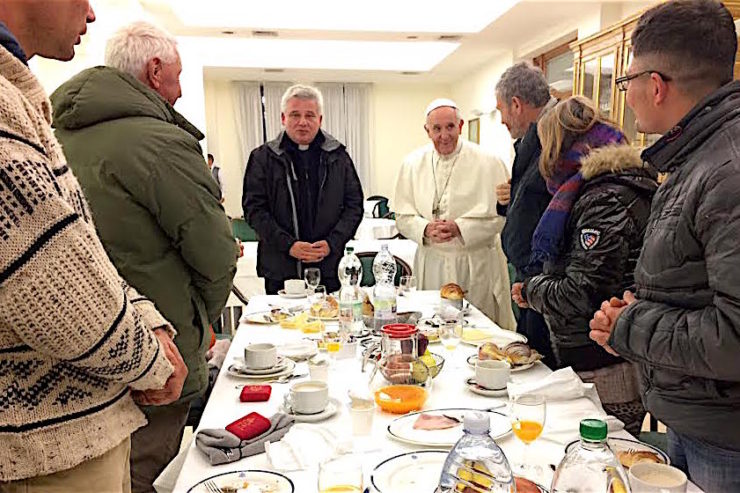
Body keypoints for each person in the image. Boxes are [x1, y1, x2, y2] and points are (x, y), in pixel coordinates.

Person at [0, 3, 187, 492]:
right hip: (45, 446)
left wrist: (145, 317)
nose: (91, 12)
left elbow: (79, 252)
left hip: (76, 426)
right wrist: (154, 359)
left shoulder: (25, 98)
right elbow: (53, 290)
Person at [50, 21, 237, 493]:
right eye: (177, 76)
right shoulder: (160, 143)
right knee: (145, 472)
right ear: (155, 71)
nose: (180, 91)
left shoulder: (54, 135)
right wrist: (202, 319)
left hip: (74, 352)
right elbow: (215, 253)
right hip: (154, 348)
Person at [588, 1, 740, 488]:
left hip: (724, 436)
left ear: (654, 85)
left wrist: (629, 325)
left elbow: (734, 335)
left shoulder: (726, 170)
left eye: (626, 81)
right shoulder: (696, 158)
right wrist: (641, 307)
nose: (627, 95)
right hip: (697, 412)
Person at [511, 96, 657, 434]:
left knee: (604, 456)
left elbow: (581, 292)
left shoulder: (604, 199)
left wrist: (532, 290)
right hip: (604, 354)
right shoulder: (604, 188)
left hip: (606, 364)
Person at [394, 99, 515, 328]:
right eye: (437, 129)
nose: (444, 135)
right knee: (432, 327)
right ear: (427, 130)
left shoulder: (489, 162)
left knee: (478, 329)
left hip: (475, 263)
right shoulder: (411, 164)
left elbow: (502, 217)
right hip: (432, 262)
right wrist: (425, 229)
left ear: (460, 126)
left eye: (450, 127)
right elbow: (402, 217)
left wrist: (461, 228)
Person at [243, 84, 363, 294]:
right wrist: (288, 245)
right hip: (280, 267)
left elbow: (354, 206)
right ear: (283, 118)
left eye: (310, 115)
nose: (302, 122)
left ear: (320, 119)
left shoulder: (338, 157)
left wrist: (332, 243)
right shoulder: (263, 158)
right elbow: (254, 210)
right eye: (295, 115)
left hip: (329, 266)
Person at [495, 62, 558, 366]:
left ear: (516, 105)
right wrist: (513, 199)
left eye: (502, 110)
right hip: (533, 281)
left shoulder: (558, 135)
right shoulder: (535, 138)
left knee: (546, 371)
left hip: (548, 281)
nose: (502, 120)